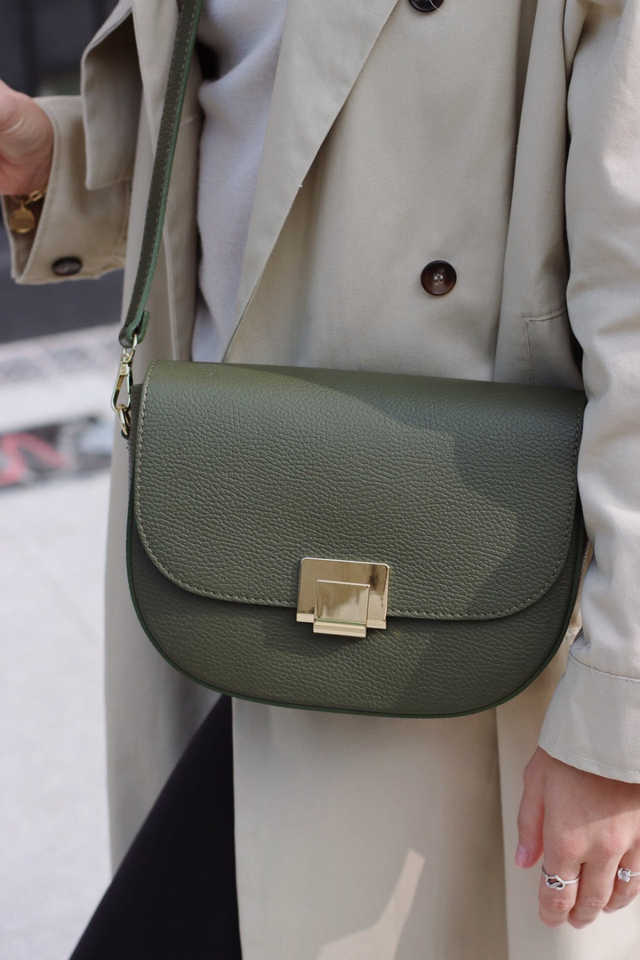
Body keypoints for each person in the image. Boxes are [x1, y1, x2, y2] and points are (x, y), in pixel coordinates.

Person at [2, 0, 640, 955]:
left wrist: (619, 712)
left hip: (478, 603)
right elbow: (259, 99)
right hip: (219, 522)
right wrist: (63, 159)